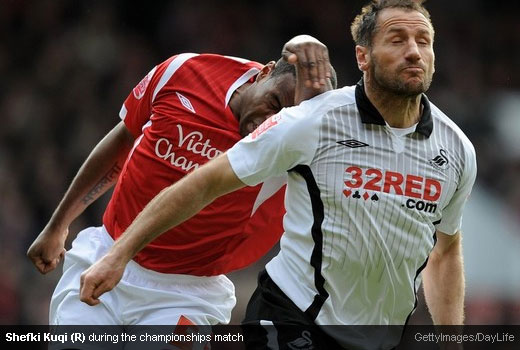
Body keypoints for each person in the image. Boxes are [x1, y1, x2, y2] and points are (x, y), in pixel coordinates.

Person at [78, 0, 477, 349]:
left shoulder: (457, 150)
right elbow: (204, 183)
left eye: (423, 41)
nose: (413, 52)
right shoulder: (312, 122)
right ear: (362, 57)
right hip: (289, 316)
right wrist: (118, 254)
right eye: (397, 39)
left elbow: (446, 251)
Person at [27, 34, 335, 329]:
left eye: (287, 116)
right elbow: (124, 140)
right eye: (274, 102)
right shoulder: (184, 71)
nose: (272, 122)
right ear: (263, 73)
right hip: (104, 252)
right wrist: (59, 224)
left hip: (185, 294)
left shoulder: (297, 142)